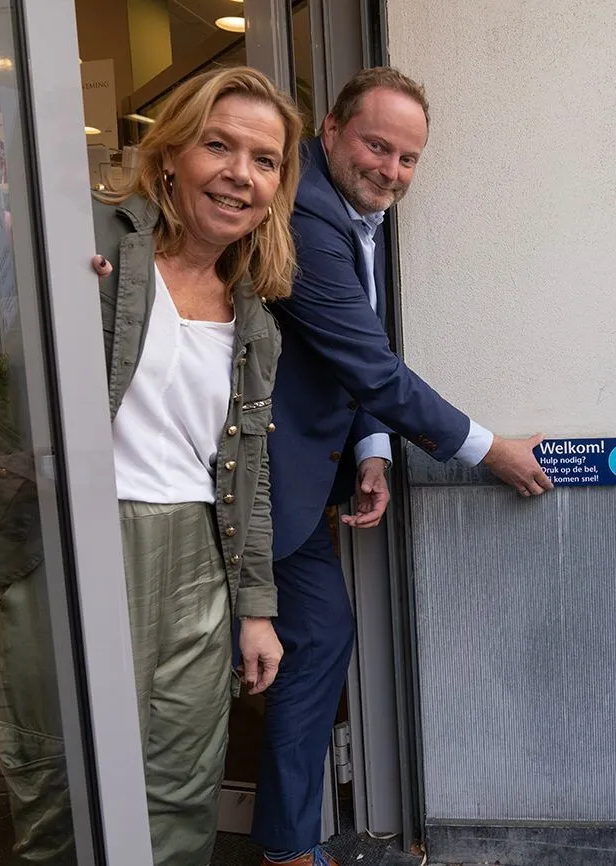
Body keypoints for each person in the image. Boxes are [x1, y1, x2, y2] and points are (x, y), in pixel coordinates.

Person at [253, 67, 552, 866]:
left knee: (316, 639)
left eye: (408, 158)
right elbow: (372, 368)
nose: (390, 170)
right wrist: (489, 451)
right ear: (329, 134)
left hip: (308, 480)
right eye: (376, 146)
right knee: (276, 651)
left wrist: (373, 451)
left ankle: (286, 847)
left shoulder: (356, 211)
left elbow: (357, 359)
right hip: (254, 491)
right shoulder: (309, 217)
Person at [80, 66, 298, 863]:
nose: (241, 174)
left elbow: (250, 474)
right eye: (219, 145)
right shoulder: (96, 255)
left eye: (265, 160)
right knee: (66, 786)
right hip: (82, 544)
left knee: (180, 790)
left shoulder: (253, 317)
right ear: (171, 154)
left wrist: (257, 609)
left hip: (198, 561)